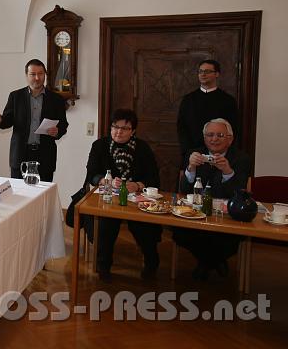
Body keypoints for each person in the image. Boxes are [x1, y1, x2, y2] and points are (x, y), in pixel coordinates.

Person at [84, 109, 162, 282]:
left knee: (144, 224)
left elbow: (153, 178)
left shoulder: (142, 148)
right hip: (106, 196)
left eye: (124, 128)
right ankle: (103, 265)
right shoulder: (100, 145)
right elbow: (91, 174)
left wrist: (137, 185)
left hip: (136, 199)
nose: (118, 131)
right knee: (105, 222)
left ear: (133, 131)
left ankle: (151, 262)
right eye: (115, 127)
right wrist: (107, 181)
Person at [173, 118, 250, 280]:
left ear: (230, 139)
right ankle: (213, 262)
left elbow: (240, 194)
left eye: (220, 135)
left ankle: (205, 263)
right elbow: (184, 190)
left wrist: (228, 171)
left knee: (227, 238)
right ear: (204, 137)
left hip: (226, 217)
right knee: (179, 232)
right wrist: (191, 167)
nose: (214, 139)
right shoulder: (194, 154)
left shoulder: (241, 158)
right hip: (195, 214)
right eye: (210, 135)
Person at [0, 59, 68, 182]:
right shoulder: (15, 96)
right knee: (19, 195)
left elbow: (63, 125)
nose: (37, 78)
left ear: (45, 75)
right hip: (20, 155)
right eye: (33, 74)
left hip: (45, 156)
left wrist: (57, 131)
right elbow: (8, 121)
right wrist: (0, 120)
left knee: (42, 195)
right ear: (26, 75)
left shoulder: (56, 99)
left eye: (40, 74)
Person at [177, 59, 239, 161]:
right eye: (200, 71)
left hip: (220, 155)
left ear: (217, 74)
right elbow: (182, 128)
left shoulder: (228, 100)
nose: (203, 74)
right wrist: (187, 154)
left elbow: (233, 130)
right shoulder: (188, 99)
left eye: (207, 71)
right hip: (193, 154)